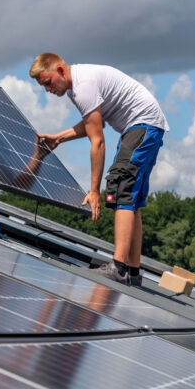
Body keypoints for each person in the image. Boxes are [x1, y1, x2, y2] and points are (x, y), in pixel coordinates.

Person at [29, 53, 168, 286]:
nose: (48, 90)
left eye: (48, 82)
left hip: (142, 125)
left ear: (61, 71)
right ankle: (133, 272)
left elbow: (98, 141)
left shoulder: (83, 87)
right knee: (130, 198)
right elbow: (94, 123)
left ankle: (118, 267)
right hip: (147, 126)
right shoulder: (79, 85)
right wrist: (59, 138)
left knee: (121, 187)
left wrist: (94, 190)